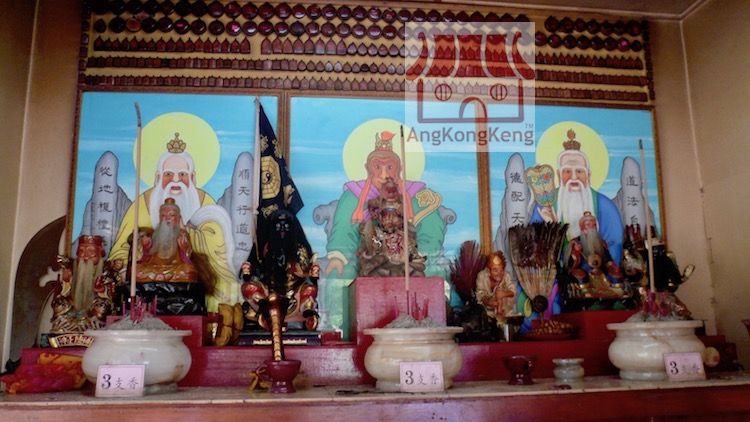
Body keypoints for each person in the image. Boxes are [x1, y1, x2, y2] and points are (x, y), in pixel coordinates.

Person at [107, 134, 240, 312]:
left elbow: (215, 244)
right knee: (137, 273)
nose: (176, 180)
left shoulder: (204, 200)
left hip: (178, 269)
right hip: (152, 268)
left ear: (192, 178)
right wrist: (142, 245)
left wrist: (188, 235)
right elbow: (121, 250)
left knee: (188, 272)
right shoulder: (142, 203)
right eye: (168, 174)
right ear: (157, 177)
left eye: (182, 174)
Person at [324, 130, 446, 280]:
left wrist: (414, 254)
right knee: (345, 273)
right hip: (376, 260)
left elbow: (432, 228)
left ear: (399, 168)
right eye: (377, 167)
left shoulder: (416, 195)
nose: (384, 175)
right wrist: (338, 256)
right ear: (368, 168)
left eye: (389, 167)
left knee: (431, 272)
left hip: (406, 260)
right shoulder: (354, 195)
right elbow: (343, 231)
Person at [531, 129, 624, 265]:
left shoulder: (604, 205)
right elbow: (534, 247)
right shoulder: (545, 204)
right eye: (567, 171)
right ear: (559, 175)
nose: (574, 177)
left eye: (579, 171)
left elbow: (615, 243)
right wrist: (551, 227)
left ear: (588, 175)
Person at [356, 177, 426, 277]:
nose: (388, 219)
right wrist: (374, 241)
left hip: (400, 262)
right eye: (386, 216)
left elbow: (410, 247)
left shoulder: (403, 234)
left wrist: (411, 253)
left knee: (414, 268)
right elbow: (371, 245)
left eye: (393, 216)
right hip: (383, 262)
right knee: (375, 268)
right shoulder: (377, 232)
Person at [475, 251, 517, 325]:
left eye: (501, 270)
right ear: (488, 271)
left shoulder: (506, 276)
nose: (499, 273)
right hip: (487, 314)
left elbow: (513, 291)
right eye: (495, 270)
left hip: (505, 313)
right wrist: (488, 302)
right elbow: (480, 294)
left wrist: (503, 294)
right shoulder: (482, 276)